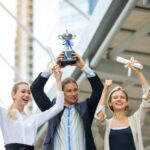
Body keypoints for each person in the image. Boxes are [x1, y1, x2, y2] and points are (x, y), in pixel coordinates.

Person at [30, 50, 104, 150]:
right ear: (62, 93)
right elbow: (35, 89)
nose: (73, 94)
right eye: (69, 91)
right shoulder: (52, 109)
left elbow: (98, 89)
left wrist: (83, 66)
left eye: (75, 90)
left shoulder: (86, 108)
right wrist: (52, 68)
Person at [0, 64, 64, 150]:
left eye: (29, 92)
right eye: (23, 91)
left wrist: (58, 80)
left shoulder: (33, 119)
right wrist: (48, 70)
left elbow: (58, 107)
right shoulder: (3, 114)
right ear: (13, 94)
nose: (27, 95)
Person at [94, 58, 150, 150]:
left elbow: (148, 99)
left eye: (122, 97)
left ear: (126, 102)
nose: (119, 99)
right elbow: (99, 117)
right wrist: (105, 90)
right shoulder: (106, 125)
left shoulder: (136, 120)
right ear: (110, 103)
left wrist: (138, 73)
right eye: (115, 97)